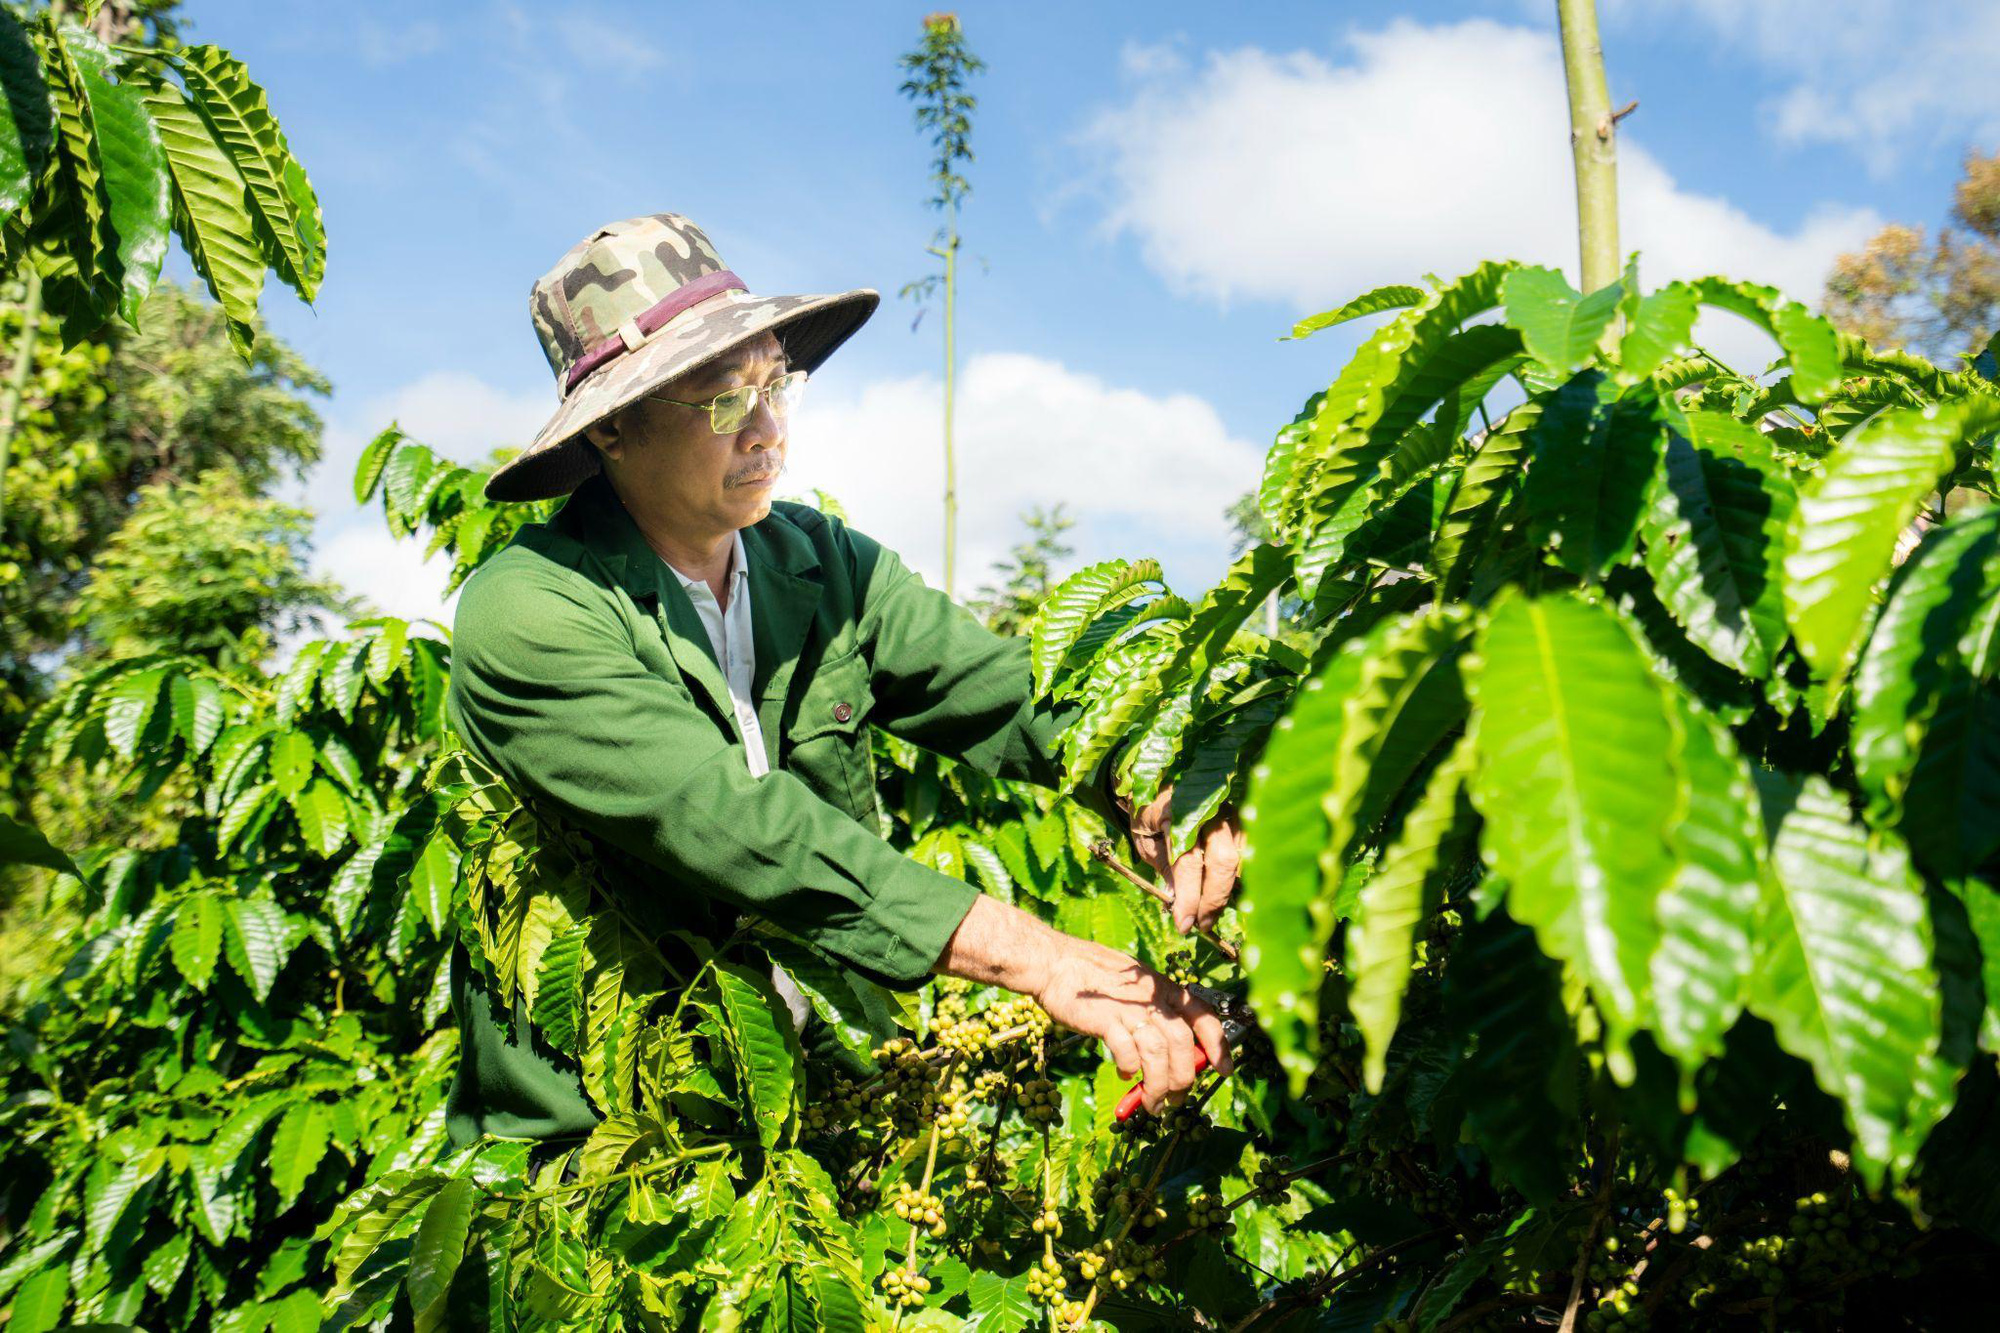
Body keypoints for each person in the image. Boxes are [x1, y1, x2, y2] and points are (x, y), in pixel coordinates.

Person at [445, 212, 1245, 1146]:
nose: (767, 428)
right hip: (596, 1160)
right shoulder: (532, 609)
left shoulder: (818, 562)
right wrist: (1043, 957)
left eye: (774, 383)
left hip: (808, 1120)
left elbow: (1008, 694)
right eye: (718, 401)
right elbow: (740, 830)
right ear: (614, 429)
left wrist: (1164, 792)